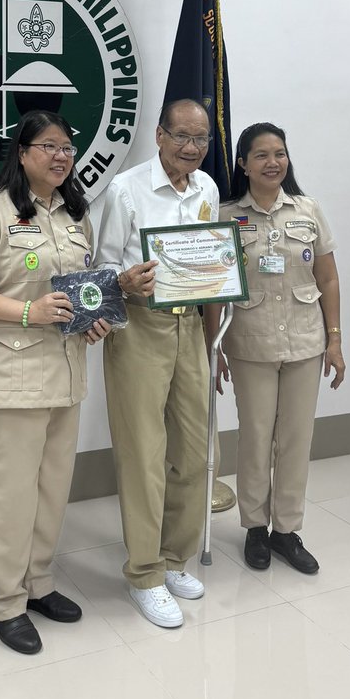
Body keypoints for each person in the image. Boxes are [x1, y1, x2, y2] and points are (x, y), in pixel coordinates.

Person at [0, 110, 110, 656]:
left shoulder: (74, 215)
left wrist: (93, 316)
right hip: (12, 377)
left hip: (65, 375)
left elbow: (77, 290)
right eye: (48, 146)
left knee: (51, 490)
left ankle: (38, 583)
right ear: (21, 153)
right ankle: (5, 601)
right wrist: (26, 312)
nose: (61, 156)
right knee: (9, 496)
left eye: (68, 147)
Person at [96, 98, 227, 629]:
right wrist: (125, 282)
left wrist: (213, 333)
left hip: (190, 324)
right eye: (182, 138)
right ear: (159, 135)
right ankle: (145, 573)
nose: (192, 149)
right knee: (144, 455)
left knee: (194, 451)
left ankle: (175, 559)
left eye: (201, 140)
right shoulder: (126, 190)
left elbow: (212, 260)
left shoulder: (208, 189)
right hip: (138, 327)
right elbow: (102, 270)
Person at [220, 122, 345, 575]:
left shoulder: (308, 210)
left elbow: (327, 278)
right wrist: (213, 348)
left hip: (305, 343)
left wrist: (335, 340)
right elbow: (216, 288)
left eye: (280, 154)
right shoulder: (225, 214)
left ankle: (286, 531)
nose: (273, 163)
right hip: (249, 343)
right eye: (261, 155)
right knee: (255, 438)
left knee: (295, 440)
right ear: (243, 164)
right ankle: (255, 527)